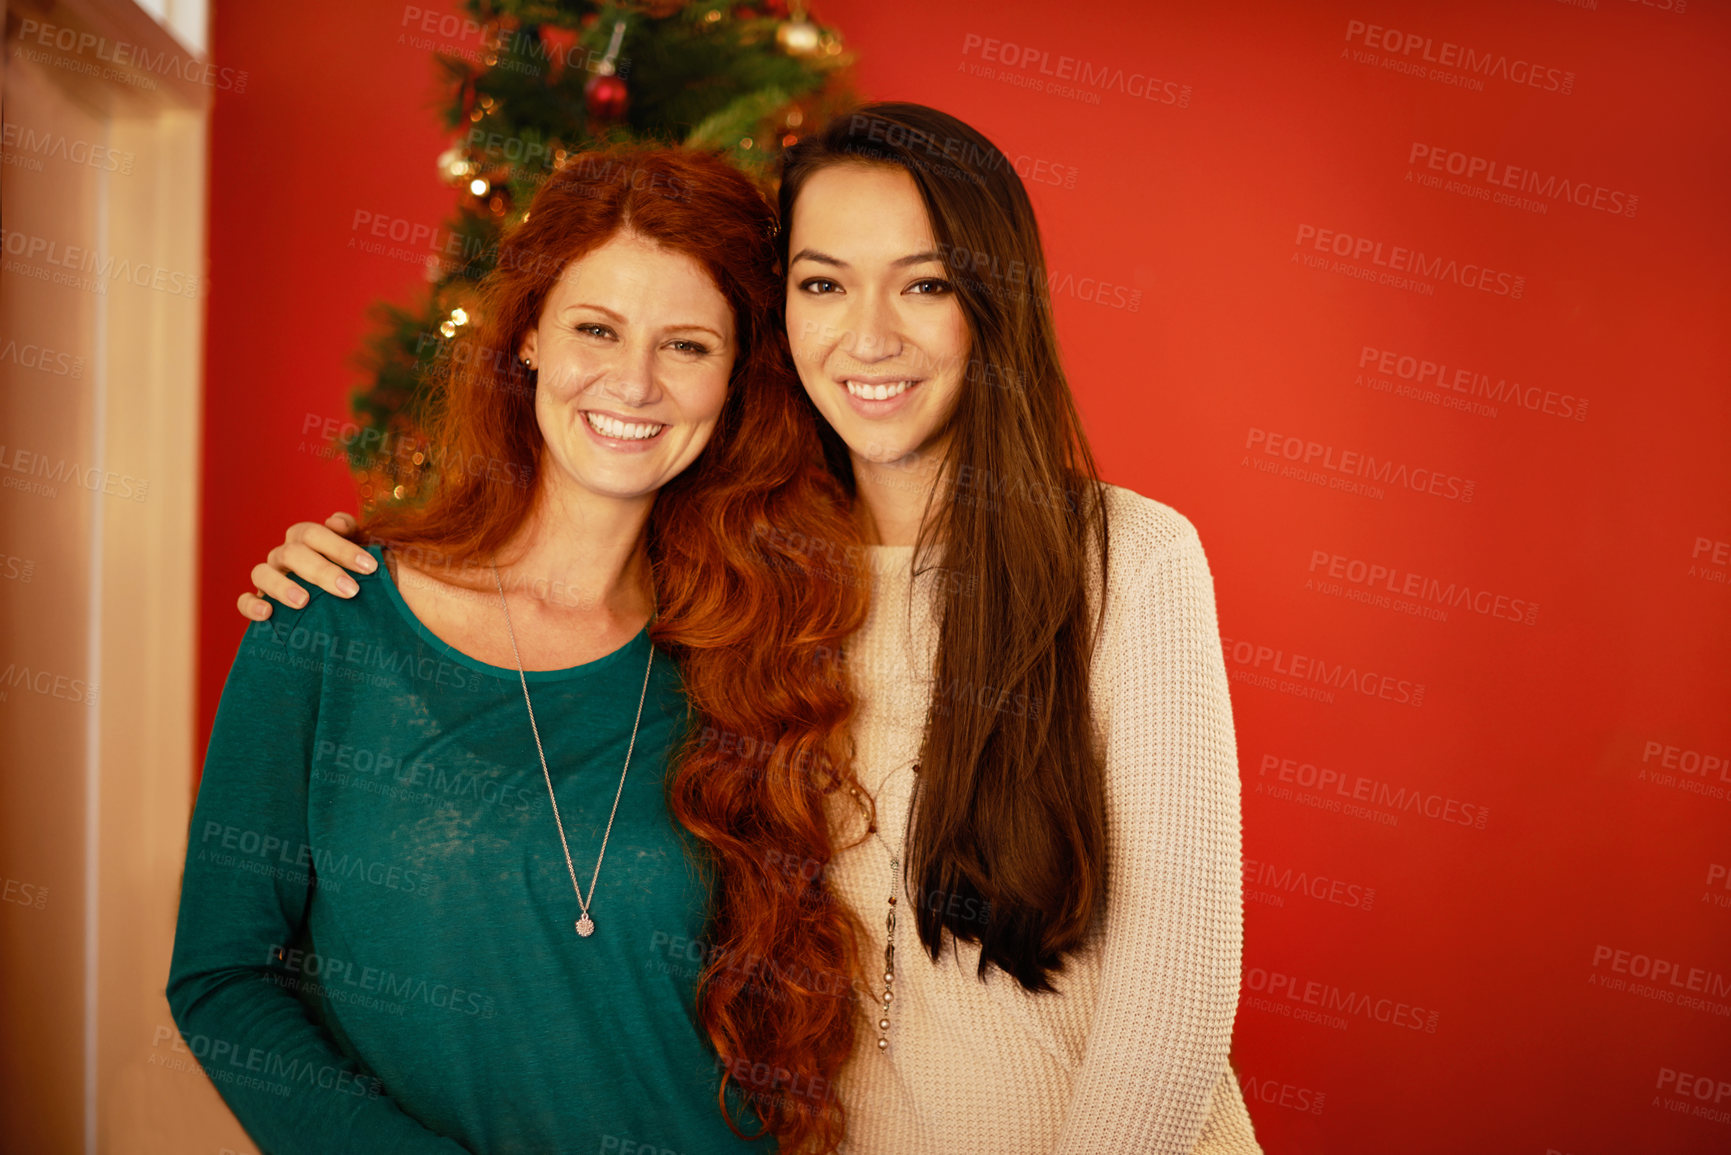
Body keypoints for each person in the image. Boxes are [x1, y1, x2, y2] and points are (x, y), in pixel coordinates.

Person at [240, 103, 1261, 1154]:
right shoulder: (744, 584)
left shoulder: (1125, 562)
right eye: (824, 283)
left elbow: (1175, 996)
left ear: (991, 305)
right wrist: (357, 564)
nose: (869, 336)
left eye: (925, 284)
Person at [173, 144, 869, 1155]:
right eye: (596, 328)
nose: (632, 383)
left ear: (736, 376)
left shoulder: (755, 654)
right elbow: (223, 977)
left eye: (686, 345)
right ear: (532, 336)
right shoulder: (328, 614)